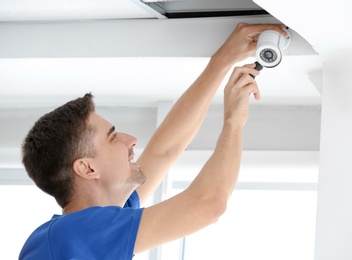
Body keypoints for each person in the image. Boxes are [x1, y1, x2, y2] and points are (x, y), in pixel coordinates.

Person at [19, 23, 287, 259]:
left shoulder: (81, 234)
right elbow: (208, 204)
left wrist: (221, 61)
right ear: (88, 169)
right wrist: (233, 123)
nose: (131, 140)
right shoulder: (75, 234)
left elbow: (165, 150)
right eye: (113, 138)